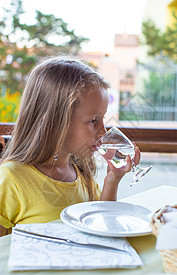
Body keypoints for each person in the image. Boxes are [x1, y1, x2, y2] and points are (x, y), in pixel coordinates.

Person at [0, 56, 140, 237]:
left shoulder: (81, 175)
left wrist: (112, 180)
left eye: (103, 119)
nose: (103, 131)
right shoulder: (10, 179)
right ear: (54, 122)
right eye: (93, 121)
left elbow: (103, 227)